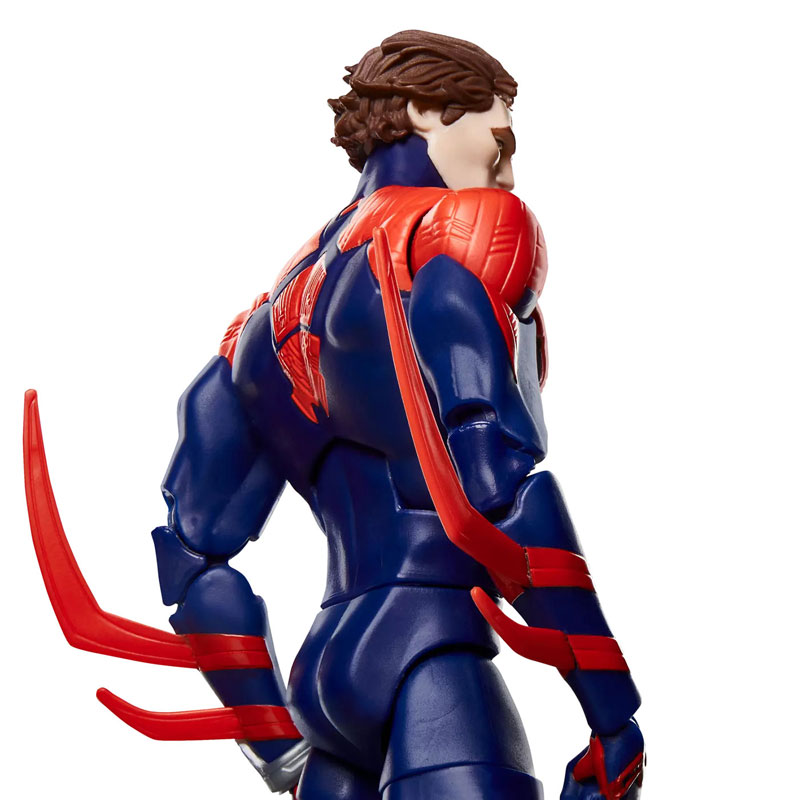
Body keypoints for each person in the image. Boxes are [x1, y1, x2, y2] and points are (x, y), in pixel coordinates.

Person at [25, 30, 644, 800]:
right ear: (425, 112)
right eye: (500, 140)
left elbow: (192, 555)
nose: (507, 171)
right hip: (432, 654)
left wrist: (274, 738)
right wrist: (613, 717)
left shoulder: (262, 326)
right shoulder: (454, 235)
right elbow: (502, 489)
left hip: (324, 680)